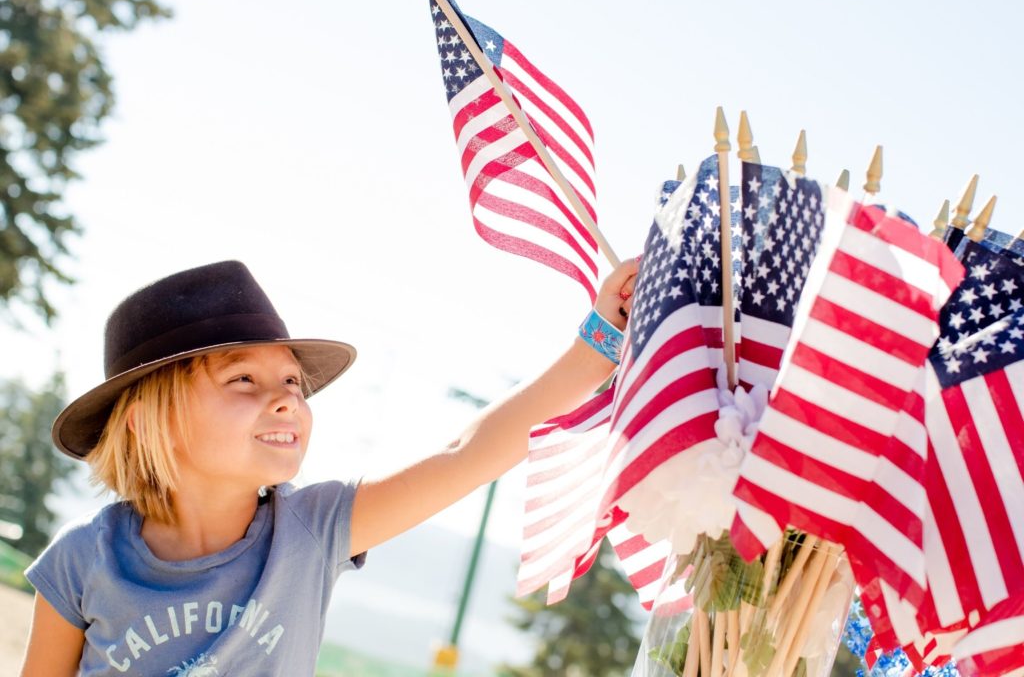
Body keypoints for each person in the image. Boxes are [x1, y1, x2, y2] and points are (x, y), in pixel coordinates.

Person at [19, 258, 638, 676]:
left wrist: (600, 340)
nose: (287, 396)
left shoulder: (313, 531)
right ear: (150, 419)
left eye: (292, 379)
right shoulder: (82, 557)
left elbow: (467, 454)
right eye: (243, 379)